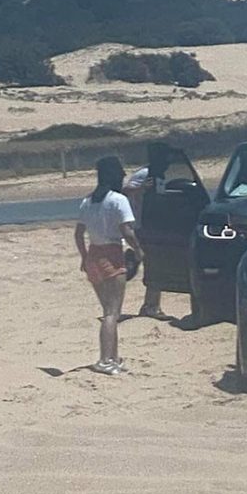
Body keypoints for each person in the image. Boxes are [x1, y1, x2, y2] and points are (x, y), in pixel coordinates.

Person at [75, 157, 145, 375]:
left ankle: (113, 357)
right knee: (112, 313)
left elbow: (78, 234)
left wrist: (84, 257)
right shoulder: (118, 200)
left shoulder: (87, 201)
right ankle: (105, 360)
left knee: (108, 309)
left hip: (93, 255)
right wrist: (139, 250)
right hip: (111, 255)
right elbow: (127, 231)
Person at [122, 165, 167, 319]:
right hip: (141, 224)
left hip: (152, 224)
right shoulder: (145, 173)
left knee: (154, 263)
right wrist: (141, 188)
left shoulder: (162, 174)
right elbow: (125, 190)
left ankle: (151, 304)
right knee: (154, 264)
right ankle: (151, 306)